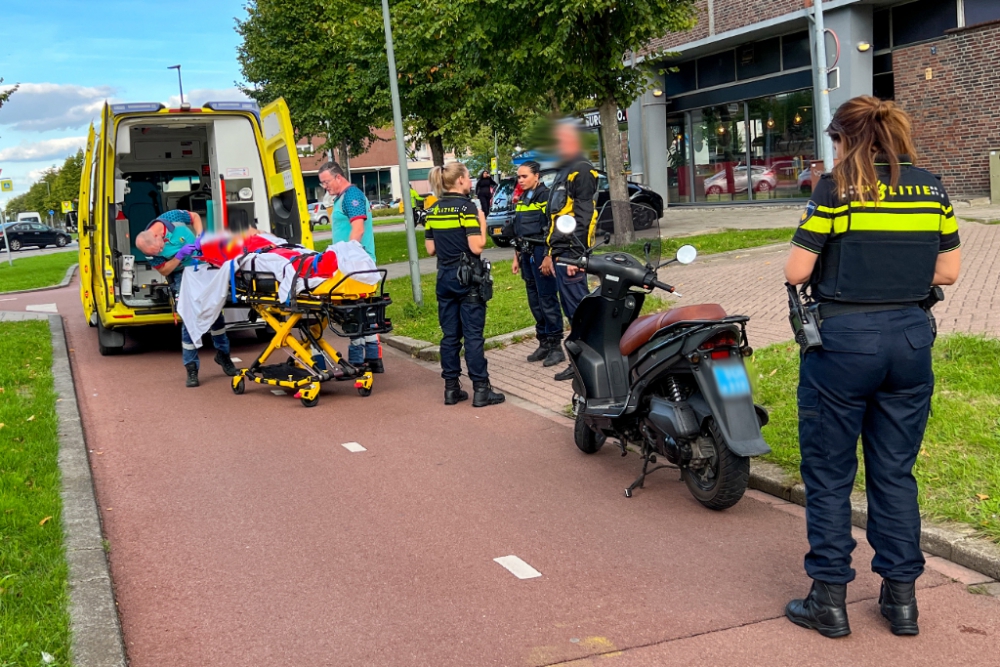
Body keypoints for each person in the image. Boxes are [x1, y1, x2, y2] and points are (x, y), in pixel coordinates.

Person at [783, 96, 961, 639]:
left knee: (832, 474)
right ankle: (901, 601)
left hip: (843, 343)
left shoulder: (835, 188)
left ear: (844, 139)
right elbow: (948, 271)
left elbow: (797, 269)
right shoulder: (931, 186)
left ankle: (829, 600)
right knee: (894, 471)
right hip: (910, 341)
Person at [424, 162, 505, 407]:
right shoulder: (467, 208)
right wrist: (482, 222)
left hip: (444, 277)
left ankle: (451, 389)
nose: (470, 182)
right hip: (468, 277)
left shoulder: (433, 210)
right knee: (472, 336)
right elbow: (476, 246)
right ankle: (481, 389)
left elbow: (430, 249)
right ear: (459, 180)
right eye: (468, 177)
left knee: (450, 336)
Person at [135, 209, 239, 387]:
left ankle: (223, 356)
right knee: (190, 319)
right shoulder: (150, 250)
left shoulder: (172, 218)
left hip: (204, 266)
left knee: (215, 313)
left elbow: (195, 217)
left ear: (158, 234)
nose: (160, 251)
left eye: (160, 247)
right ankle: (191, 368)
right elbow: (164, 270)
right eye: (158, 251)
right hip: (182, 275)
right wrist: (178, 257)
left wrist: (200, 237)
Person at [542, 119, 599, 381]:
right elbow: (556, 218)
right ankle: (580, 363)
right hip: (562, 253)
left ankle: (587, 365)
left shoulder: (582, 171)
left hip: (572, 255)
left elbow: (585, 217)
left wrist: (578, 256)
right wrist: (552, 252)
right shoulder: (565, 172)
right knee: (572, 312)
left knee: (579, 312)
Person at [318, 161, 383, 373]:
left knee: (353, 312)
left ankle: (358, 359)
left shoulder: (351, 196)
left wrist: (347, 256)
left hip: (354, 265)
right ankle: (372, 357)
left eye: (326, 182)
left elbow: (358, 229)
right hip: (353, 263)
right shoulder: (342, 198)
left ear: (338, 177)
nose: (324, 186)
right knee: (363, 311)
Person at [510, 161, 564, 366]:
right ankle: (543, 342)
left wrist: (549, 256)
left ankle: (556, 346)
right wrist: (516, 256)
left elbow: (553, 228)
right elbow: (519, 229)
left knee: (547, 299)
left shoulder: (546, 196)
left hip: (542, 252)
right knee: (534, 301)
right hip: (526, 253)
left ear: (536, 176)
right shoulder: (523, 198)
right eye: (519, 177)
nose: (520, 180)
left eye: (524, 176)